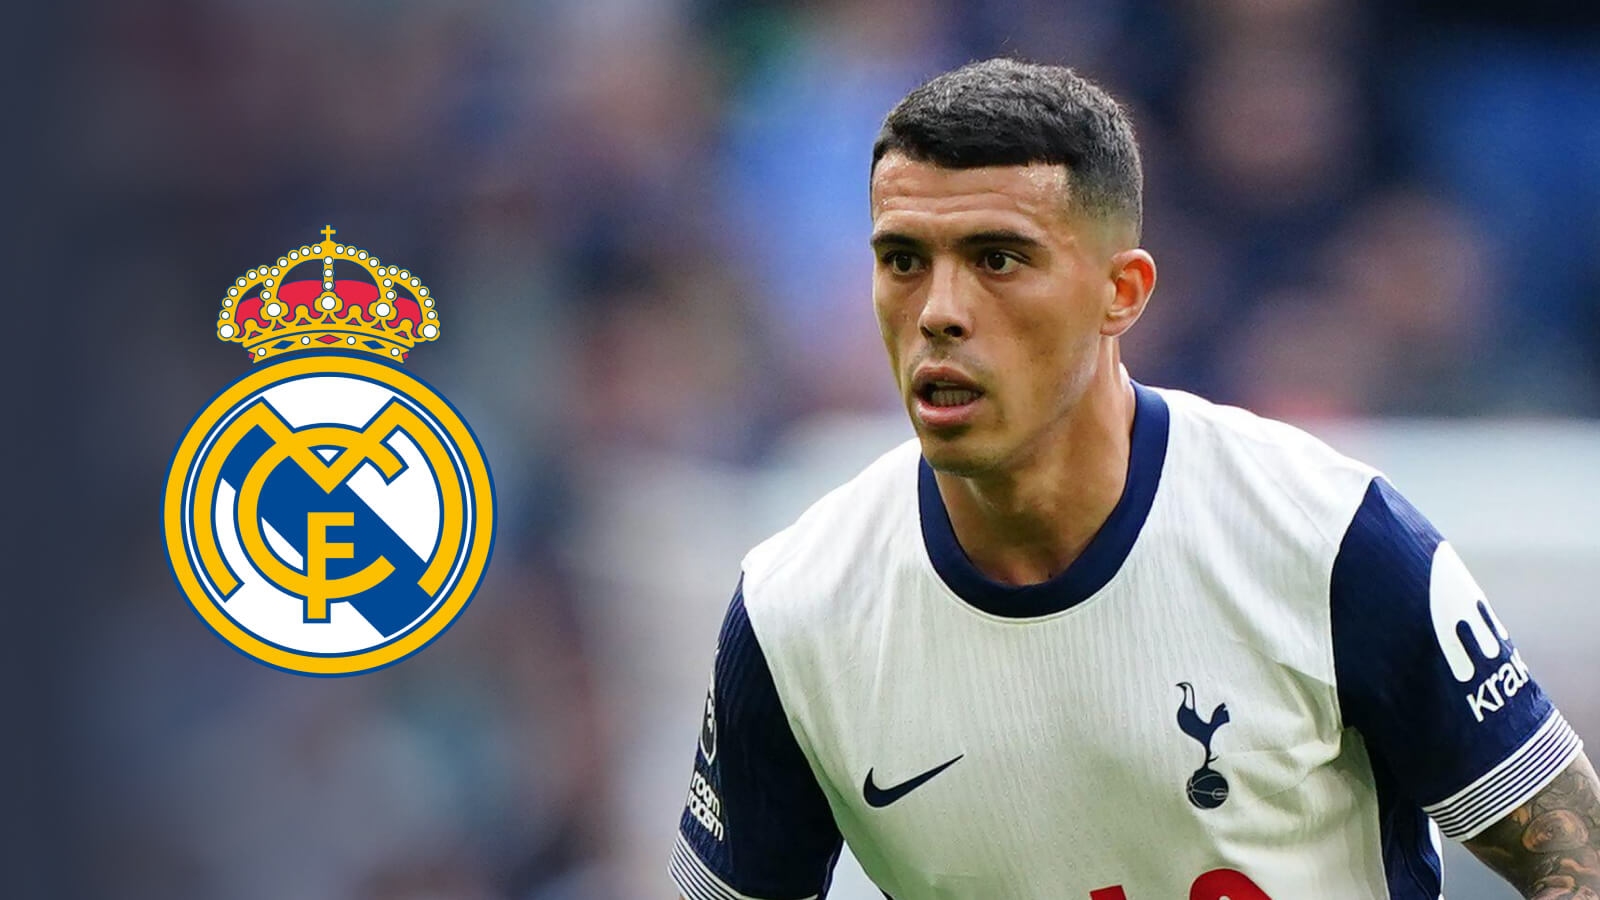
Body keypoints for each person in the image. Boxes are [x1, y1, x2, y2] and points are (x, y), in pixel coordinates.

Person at [667, 58, 1596, 900]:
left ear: (1123, 293)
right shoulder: (796, 612)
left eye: (998, 259)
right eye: (903, 260)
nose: (940, 311)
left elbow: (1576, 855)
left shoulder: (1329, 539)